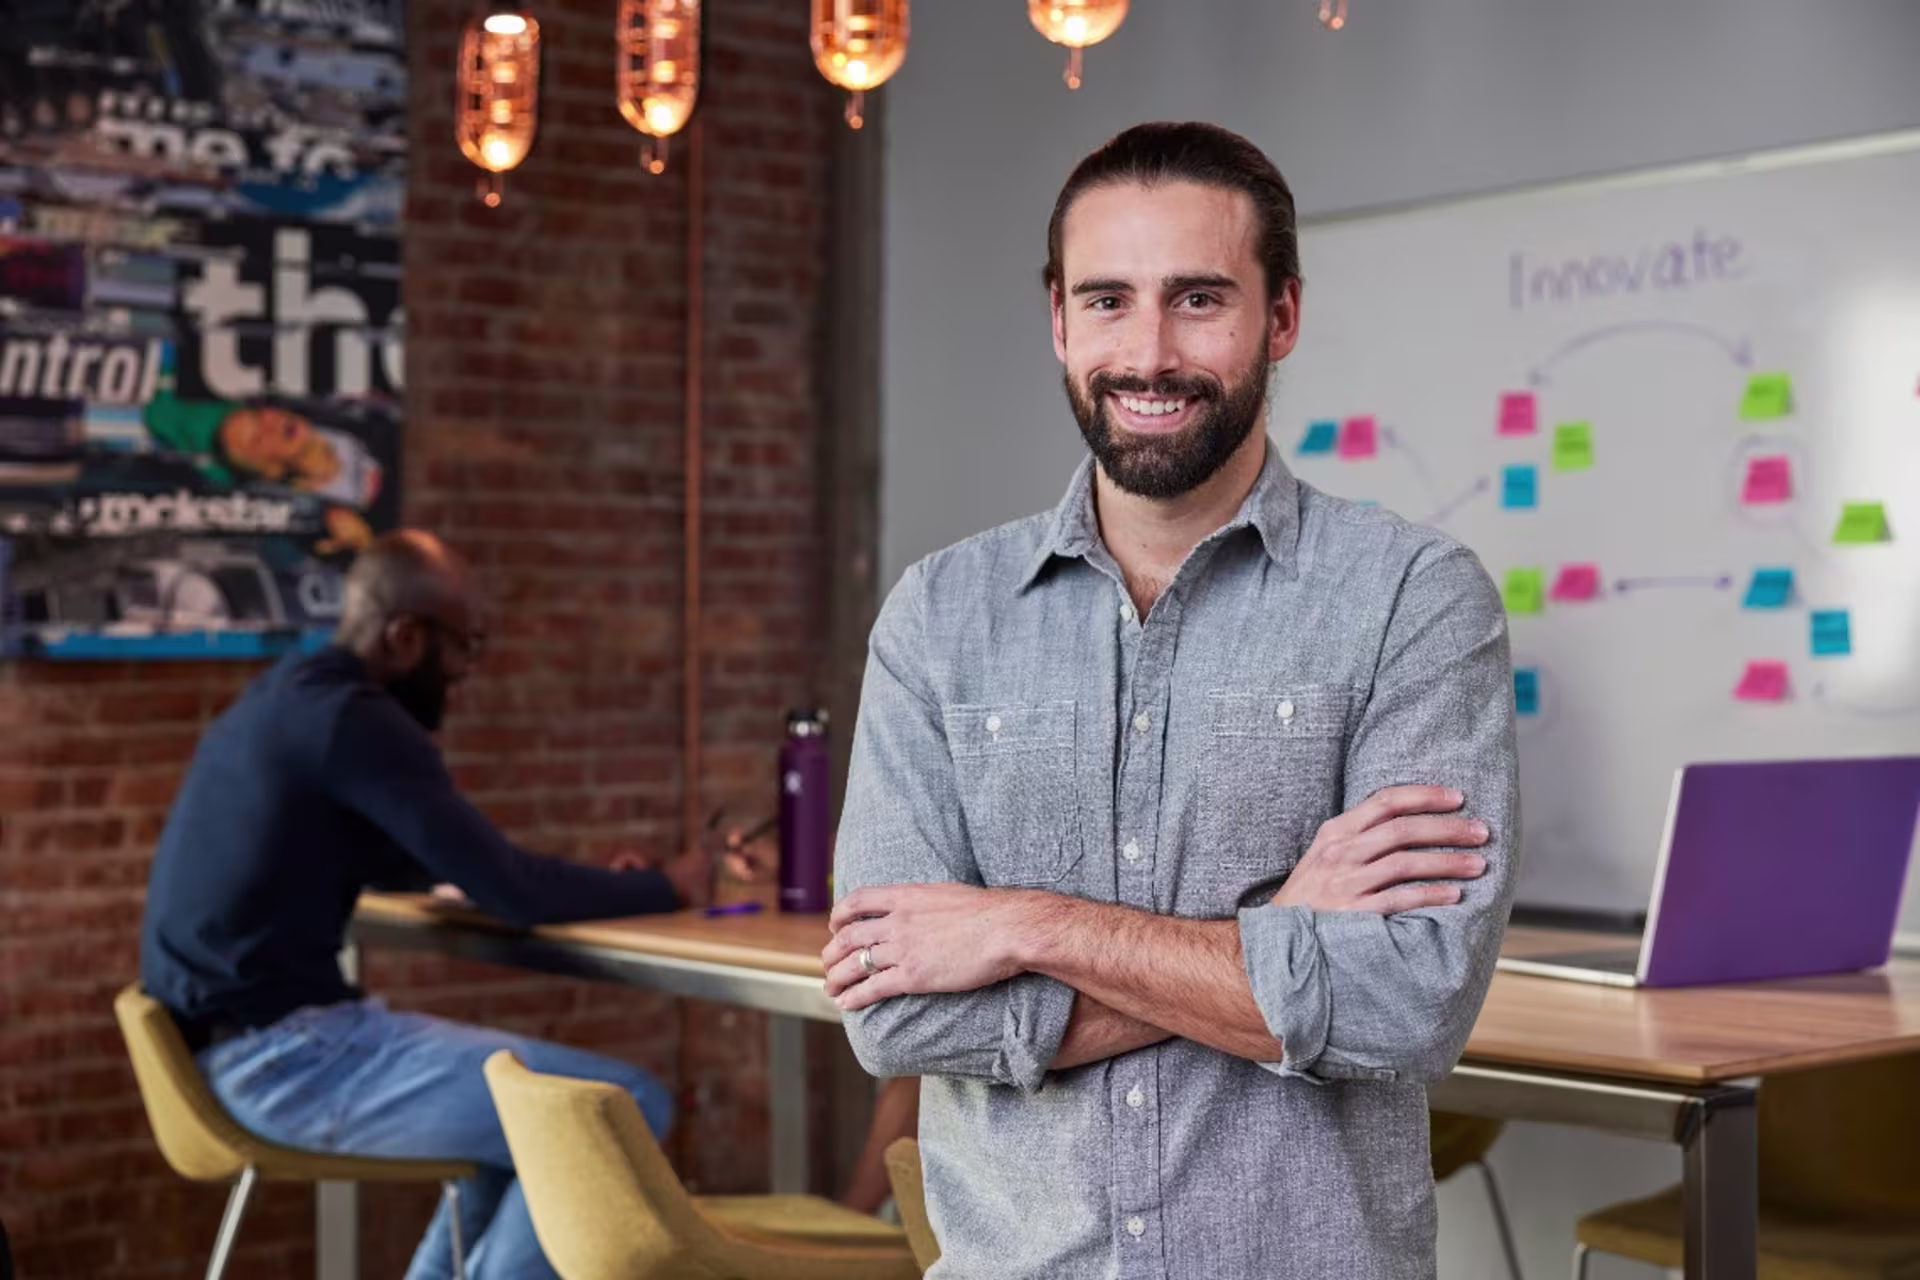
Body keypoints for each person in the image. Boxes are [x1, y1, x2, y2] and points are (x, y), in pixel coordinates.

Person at [824, 122, 1519, 1279]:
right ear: (1057, 318)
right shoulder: (938, 614)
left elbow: (1408, 1003)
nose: (1148, 352)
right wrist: (1281, 933)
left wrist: (1022, 925)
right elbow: (894, 1018)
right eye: (1107, 300)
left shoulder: (1413, 599)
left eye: (1199, 299)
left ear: (1281, 316)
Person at [139, 529, 750, 1280]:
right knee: (618, 1107)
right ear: (404, 637)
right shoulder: (357, 722)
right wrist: (673, 885)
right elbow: (513, 890)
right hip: (286, 1059)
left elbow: (422, 865)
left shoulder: (286, 697)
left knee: (525, 1132)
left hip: (230, 1045)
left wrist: (612, 884)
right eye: (464, 646)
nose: (464, 672)